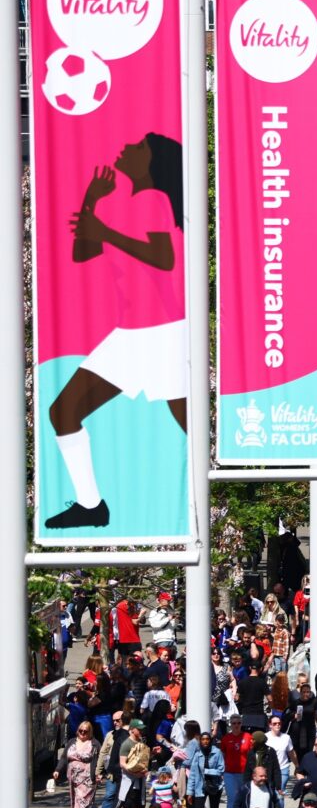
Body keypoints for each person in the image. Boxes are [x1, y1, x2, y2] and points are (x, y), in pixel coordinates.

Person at [43, 133, 187, 530]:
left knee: (193, 424)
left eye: (139, 146)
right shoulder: (122, 203)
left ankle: (216, 484)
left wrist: (105, 230)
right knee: (63, 411)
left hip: (161, 333)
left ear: (151, 162)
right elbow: (82, 252)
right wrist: (92, 201)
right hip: (131, 335)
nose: (126, 147)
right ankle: (91, 506)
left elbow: (163, 256)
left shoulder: (153, 200)